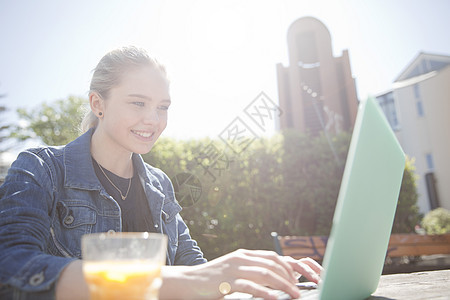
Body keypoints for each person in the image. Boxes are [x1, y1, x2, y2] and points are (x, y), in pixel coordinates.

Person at [0, 46, 322, 299]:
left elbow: (193, 268)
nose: (154, 120)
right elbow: (11, 267)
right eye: (138, 103)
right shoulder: (41, 168)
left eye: (163, 107)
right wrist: (194, 280)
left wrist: (251, 276)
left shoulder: (159, 185)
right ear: (98, 103)